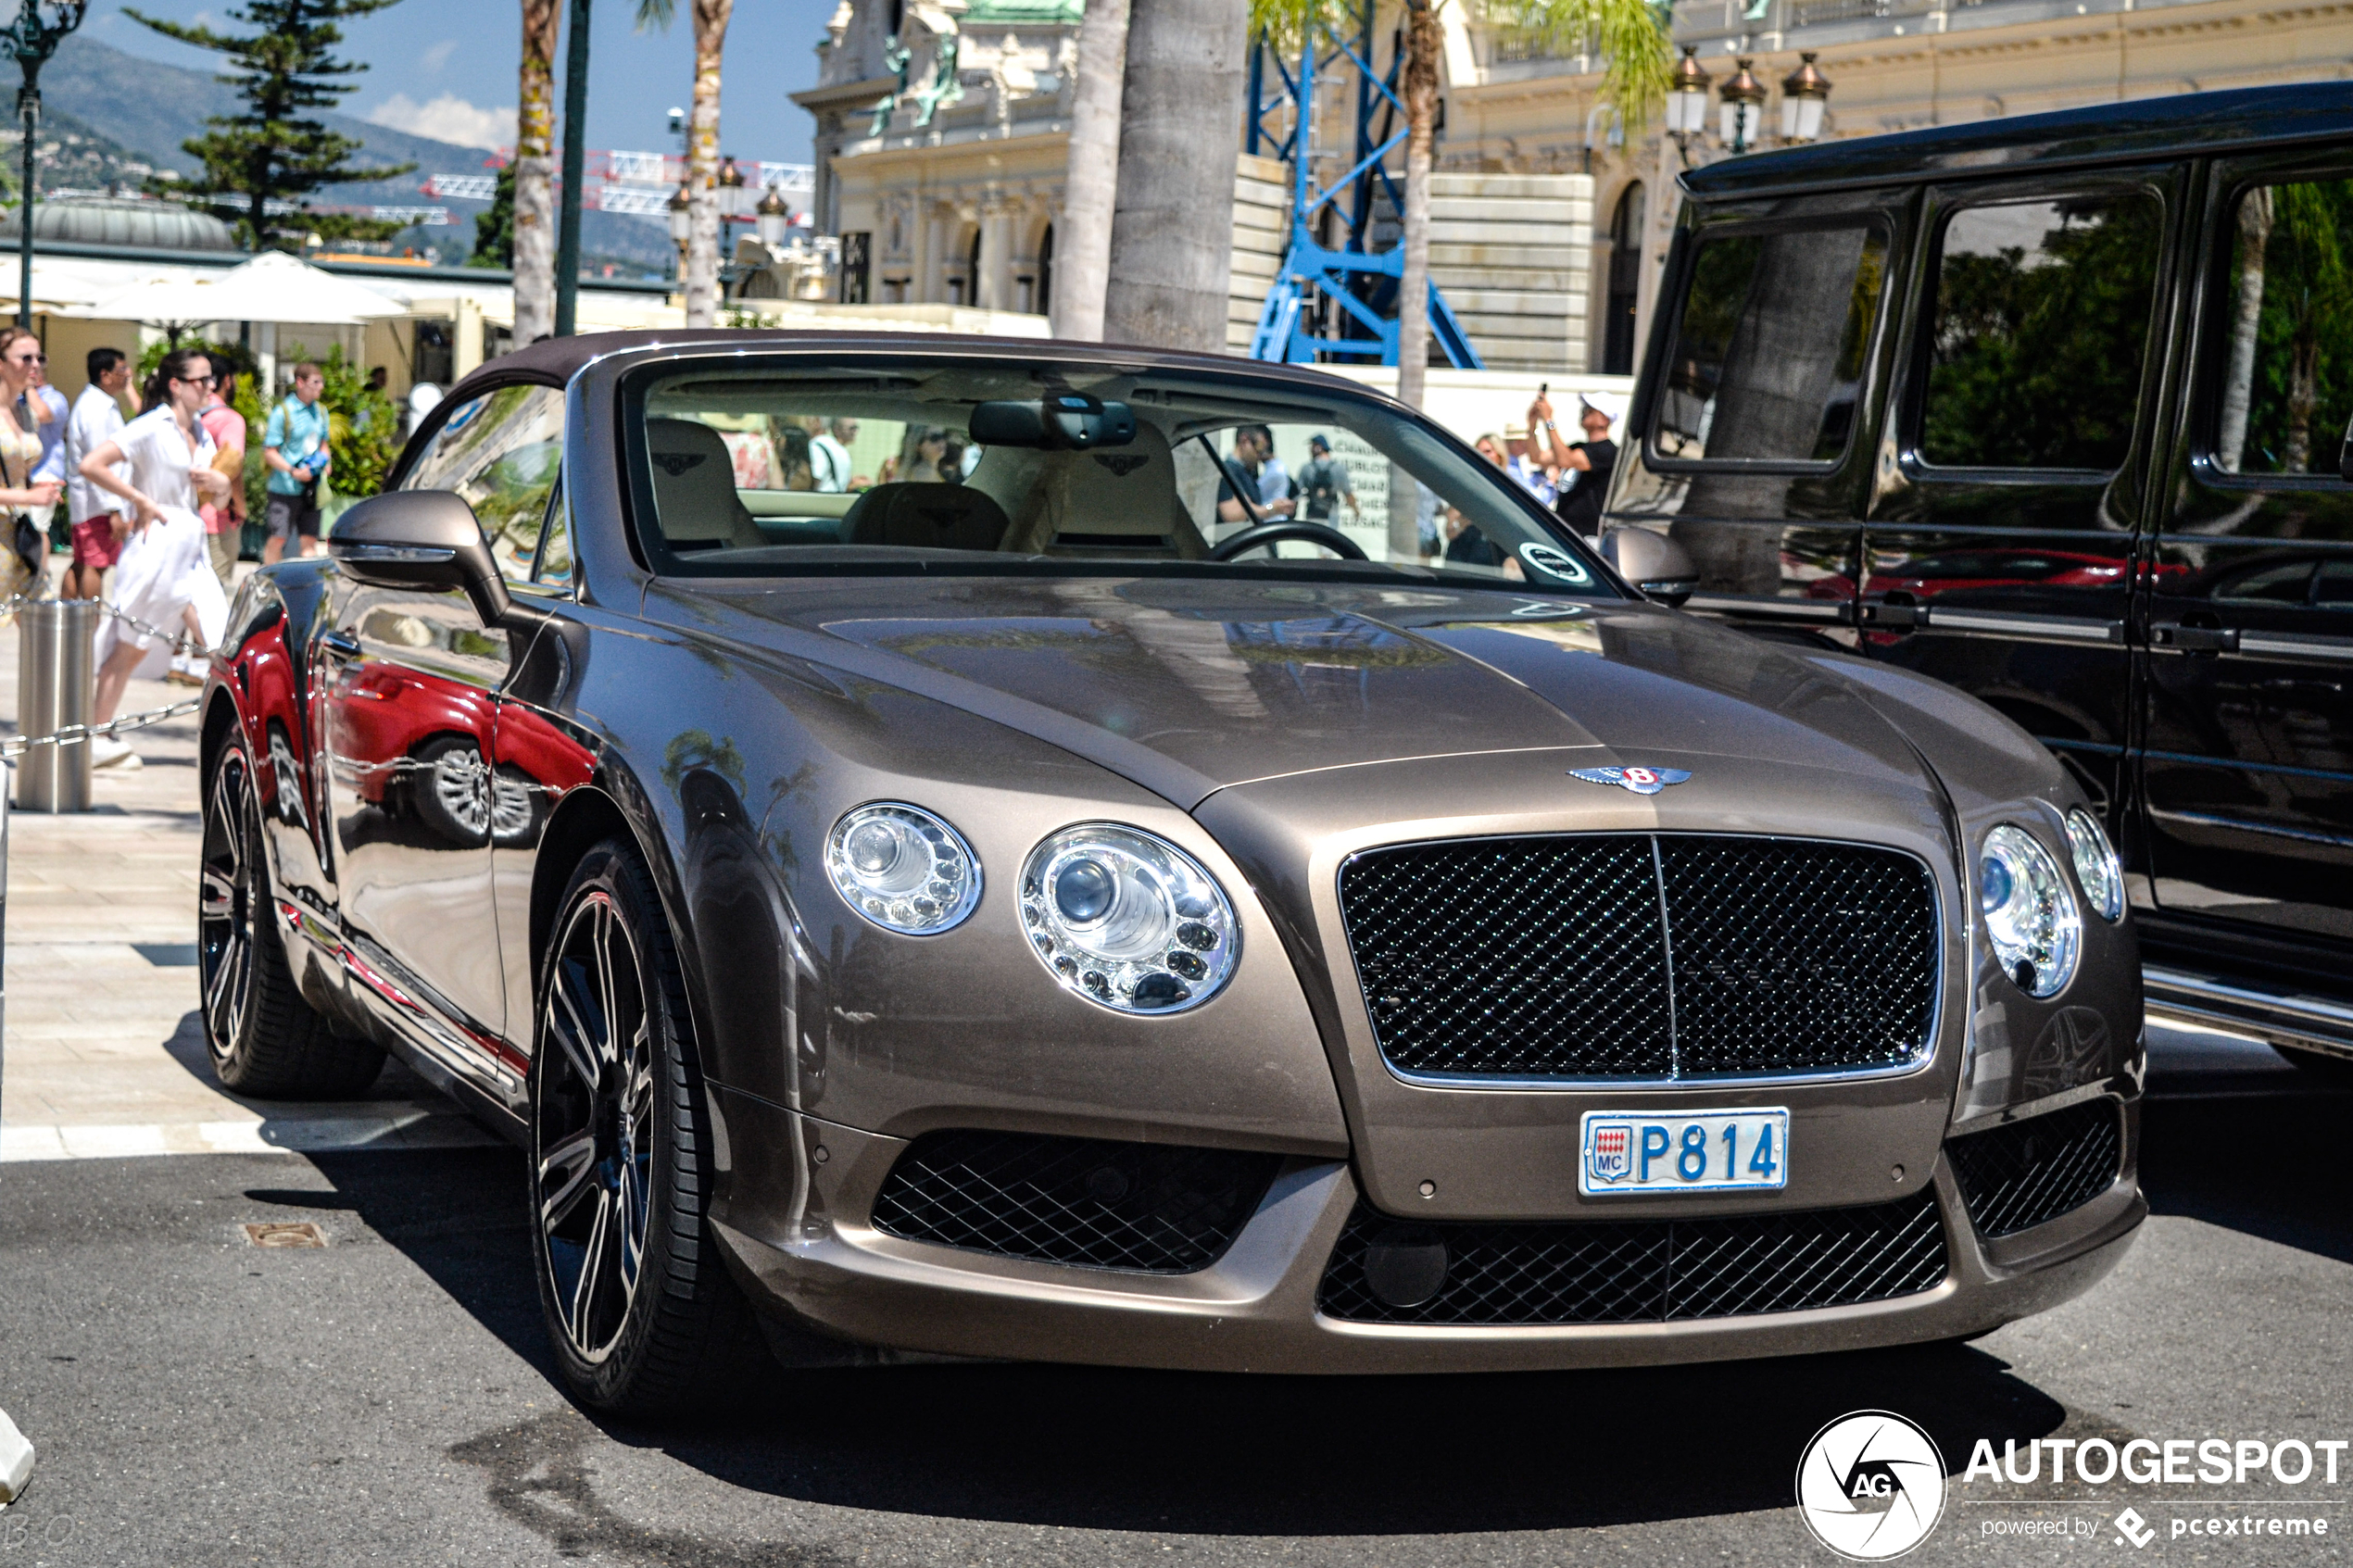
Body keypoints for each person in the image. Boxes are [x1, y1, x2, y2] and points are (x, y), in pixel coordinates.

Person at [78, 348, 233, 769]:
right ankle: (97, 733)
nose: (210, 386)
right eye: (201, 380)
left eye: (211, 379)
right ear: (176, 384)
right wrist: (137, 500)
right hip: (157, 542)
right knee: (132, 644)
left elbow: (219, 496)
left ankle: (235, 740)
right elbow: (92, 464)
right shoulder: (150, 426)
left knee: (221, 641)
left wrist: (221, 484)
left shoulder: (202, 432)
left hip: (192, 542)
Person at [63, 346, 132, 600]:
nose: (128, 374)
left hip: (92, 501)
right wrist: (114, 509)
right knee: (96, 564)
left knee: (82, 562)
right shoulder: (97, 409)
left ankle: (71, 620)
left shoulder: (96, 403)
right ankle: (89, 629)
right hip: (99, 504)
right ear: (105, 375)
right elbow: (98, 462)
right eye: (122, 369)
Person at [0, 329, 62, 603]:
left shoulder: (26, 414)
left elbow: (17, 475)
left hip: (21, 531)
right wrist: (27, 496)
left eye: (39, 358)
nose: (35, 365)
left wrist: (38, 488)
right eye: (26, 358)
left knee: (40, 615)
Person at [262, 362, 331, 563]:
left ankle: (306, 589)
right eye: (316, 382)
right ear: (300, 383)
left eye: (322, 382)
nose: (321, 387)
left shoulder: (320, 411)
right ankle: (272, 583)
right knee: (278, 538)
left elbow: (324, 445)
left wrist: (324, 462)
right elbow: (270, 452)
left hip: (311, 487)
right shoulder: (283, 412)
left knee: (309, 540)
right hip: (285, 488)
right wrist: (293, 471)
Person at [1534, 392, 1621, 538]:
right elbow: (1538, 458)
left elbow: (1566, 461)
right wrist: (1532, 423)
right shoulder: (1578, 447)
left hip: (1587, 536)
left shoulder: (1608, 451)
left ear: (1604, 419)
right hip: (1565, 531)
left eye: (1590, 410)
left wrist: (1549, 420)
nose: (1584, 412)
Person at [196, 365, 248, 595]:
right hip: (217, 517)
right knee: (211, 596)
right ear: (227, 380)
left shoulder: (187, 416)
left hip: (185, 512)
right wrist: (241, 506)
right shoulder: (229, 419)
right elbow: (232, 465)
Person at [1215, 425, 1296, 524]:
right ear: (1244, 440)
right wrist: (1270, 509)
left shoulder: (1247, 472)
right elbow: (1232, 514)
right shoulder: (1229, 471)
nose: (1260, 455)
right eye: (1259, 448)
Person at [1292, 433, 1357, 522]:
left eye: (1312, 446)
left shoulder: (1307, 468)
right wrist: (1356, 511)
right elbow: (1348, 494)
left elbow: (1297, 493)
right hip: (1332, 517)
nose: (1310, 449)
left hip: (1312, 516)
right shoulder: (1339, 469)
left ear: (1318, 447)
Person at [1503, 420, 1558, 507]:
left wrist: (1543, 471)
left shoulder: (1512, 464)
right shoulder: (1510, 468)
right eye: (1530, 441)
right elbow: (1535, 500)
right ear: (1519, 442)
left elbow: (1525, 483)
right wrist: (1552, 482)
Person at [810, 416, 859, 492]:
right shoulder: (822, 445)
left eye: (857, 427)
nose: (855, 431)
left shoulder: (841, 450)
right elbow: (816, 476)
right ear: (837, 429)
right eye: (852, 428)